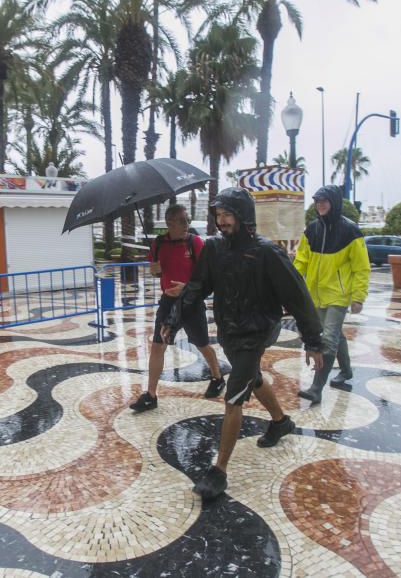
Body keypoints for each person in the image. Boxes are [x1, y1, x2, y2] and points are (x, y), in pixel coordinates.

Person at [163, 187, 323, 500]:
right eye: (218, 215)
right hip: (230, 331)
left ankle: (218, 471)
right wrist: (173, 318)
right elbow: (196, 287)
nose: (221, 221)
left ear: (243, 215)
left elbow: (298, 297)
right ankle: (280, 422)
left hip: (260, 331)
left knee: (234, 395)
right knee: (252, 377)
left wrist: (313, 340)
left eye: (227, 214)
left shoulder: (267, 252)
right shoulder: (213, 249)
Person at [129, 204, 225, 412]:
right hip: (167, 304)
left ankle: (217, 377)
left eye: (187, 219)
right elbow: (157, 273)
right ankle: (150, 395)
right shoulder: (158, 244)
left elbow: (206, 277)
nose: (186, 224)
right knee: (157, 345)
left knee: (201, 344)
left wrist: (187, 288)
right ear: (169, 223)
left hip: (191, 303)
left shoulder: (195, 242)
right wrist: (154, 271)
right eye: (182, 220)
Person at [294, 185, 371, 405]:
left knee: (327, 340)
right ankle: (346, 371)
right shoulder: (312, 229)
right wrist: (293, 286)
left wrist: (358, 296)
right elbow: (301, 261)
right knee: (335, 334)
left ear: (334, 203)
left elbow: (361, 267)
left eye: (324, 201)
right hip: (314, 296)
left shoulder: (350, 230)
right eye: (317, 202)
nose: (320, 205)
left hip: (338, 296)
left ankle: (317, 388)